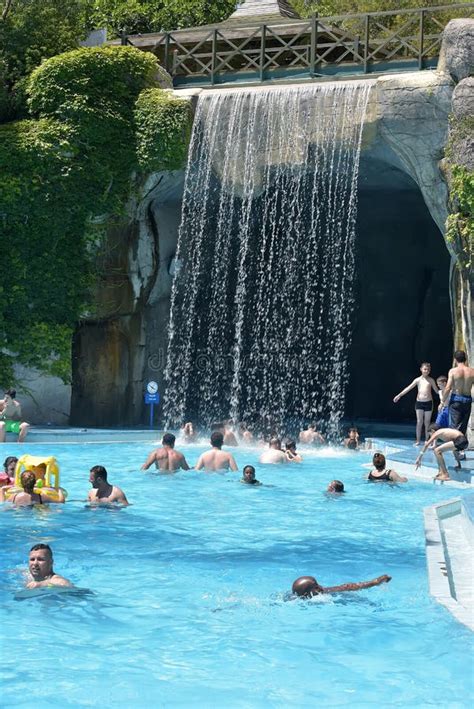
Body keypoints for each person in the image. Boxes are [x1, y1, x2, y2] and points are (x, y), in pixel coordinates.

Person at [393, 363, 439, 445]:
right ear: (421, 369)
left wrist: (445, 392)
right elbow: (408, 388)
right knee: (419, 421)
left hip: (428, 402)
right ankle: (417, 440)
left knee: (427, 422)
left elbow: (436, 391)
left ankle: (426, 440)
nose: (427, 371)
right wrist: (399, 395)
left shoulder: (431, 380)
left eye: (428, 369)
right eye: (425, 369)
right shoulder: (418, 380)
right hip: (419, 402)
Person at [443, 350, 474, 437]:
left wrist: (442, 401)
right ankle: (460, 448)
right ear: (465, 358)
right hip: (467, 400)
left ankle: (455, 447)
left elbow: (448, 387)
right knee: (463, 427)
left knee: (454, 427)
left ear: (455, 359)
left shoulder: (453, 371)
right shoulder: (472, 371)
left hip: (456, 399)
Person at [292, 574, 391, 597]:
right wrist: (374, 582)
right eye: (317, 585)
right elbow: (347, 587)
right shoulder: (324, 593)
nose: (320, 586)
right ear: (317, 588)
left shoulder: (290, 598)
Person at [0, 470, 65, 505]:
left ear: (21, 484)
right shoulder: (42, 497)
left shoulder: (14, 497)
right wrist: (59, 490)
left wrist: (2, 490)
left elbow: (2, 503)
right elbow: (61, 502)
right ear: (35, 483)